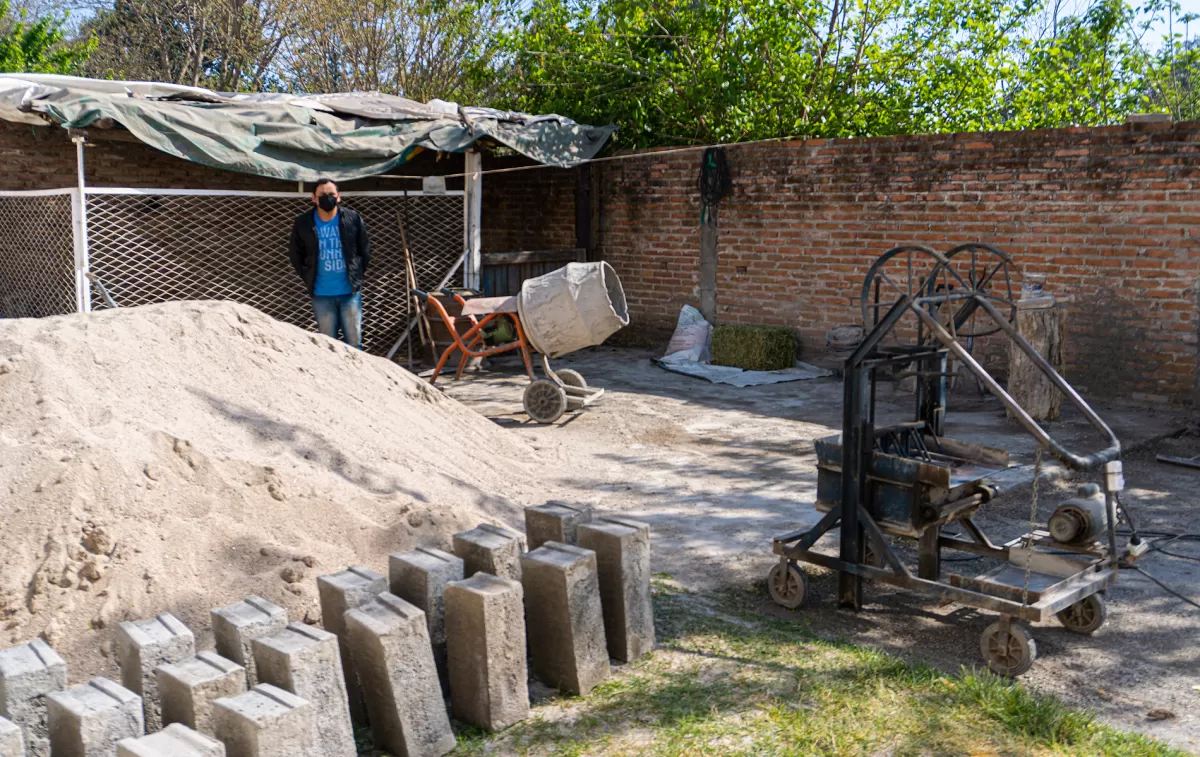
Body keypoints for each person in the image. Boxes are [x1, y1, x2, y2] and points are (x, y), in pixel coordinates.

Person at [288, 178, 371, 348]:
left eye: (332, 194)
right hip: (321, 294)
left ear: (339, 196)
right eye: (323, 195)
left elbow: (365, 250)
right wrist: (309, 276)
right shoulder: (304, 223)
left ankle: (356, 375)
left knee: (355, 344)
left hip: (349, 293)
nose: (328, 198)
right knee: (328, 346)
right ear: (314, 198)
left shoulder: (352, 219)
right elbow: (296, 254)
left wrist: (356, 275)